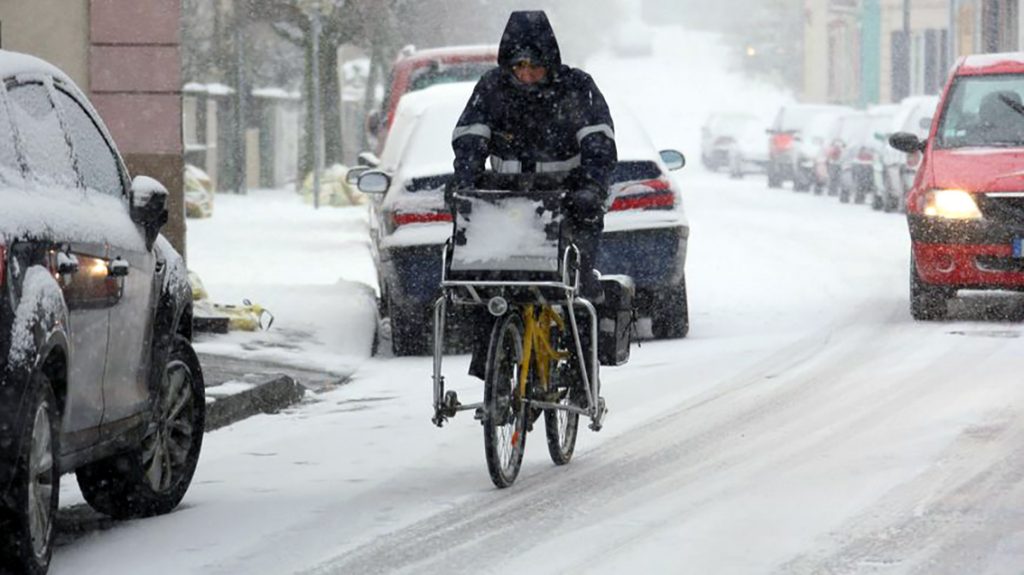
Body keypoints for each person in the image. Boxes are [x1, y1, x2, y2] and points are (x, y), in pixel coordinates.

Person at [448, 10, 618, 379]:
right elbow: (469, 140)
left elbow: (599, 145)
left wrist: (590, 188)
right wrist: (465, 180)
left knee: (576, 287)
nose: (526, 74)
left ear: (550, 63)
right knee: (488, 283)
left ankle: (579, 373)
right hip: (508, 204)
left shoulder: (577, 88)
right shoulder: (492, 88)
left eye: (534, 66)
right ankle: (493, 367)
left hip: (568, 203)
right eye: (518, 66)